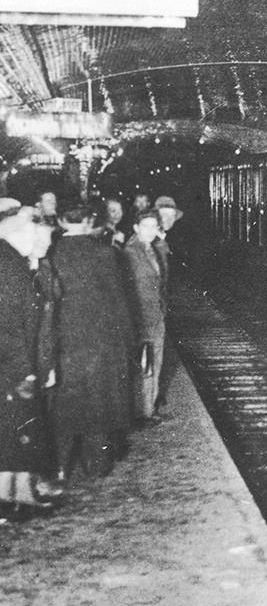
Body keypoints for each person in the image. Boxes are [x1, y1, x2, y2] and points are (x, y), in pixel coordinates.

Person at [48, 206, 138, 481]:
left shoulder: (50, 254)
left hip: (63, 342)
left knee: (64, 407)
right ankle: (97, 466)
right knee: (99, 405)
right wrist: (130, 343)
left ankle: (60, 469)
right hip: (101, 341)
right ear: (90, 222)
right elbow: (119, 303)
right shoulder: (104, 254)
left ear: (62, 221)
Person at [0, 202, 56, 517]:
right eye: (32, 232)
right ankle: (10, 501)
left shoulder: (12, 261)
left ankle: (18, 496)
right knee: (12, 432)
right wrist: (25, 370)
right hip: (12, 365)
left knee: (16, 432)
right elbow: (7, 325)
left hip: (14, 363)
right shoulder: (8, 266)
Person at [124, 210, 169, 422]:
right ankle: (142, 412)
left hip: (155, 315)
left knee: (153, 363)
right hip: (141, 317)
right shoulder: (130, 253)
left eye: (154, 226)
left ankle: (148, 409)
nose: (150, 231)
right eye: (145, 226)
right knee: (145, 364)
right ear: (135, 228)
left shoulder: (151, 249)